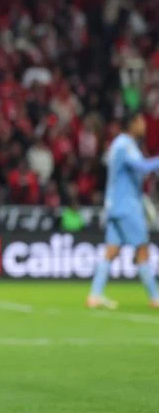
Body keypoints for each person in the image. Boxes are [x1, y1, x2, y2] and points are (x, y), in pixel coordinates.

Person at [88, 111, 159, 309]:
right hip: (126, 206)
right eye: (141, 122)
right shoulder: (124, 144)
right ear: (132, 124)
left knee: (111, 251)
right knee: (142, 248)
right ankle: (155, 297)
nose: (144, 126)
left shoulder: (123, 144)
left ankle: (94, 295)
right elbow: (142, 167)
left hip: (115, 205)